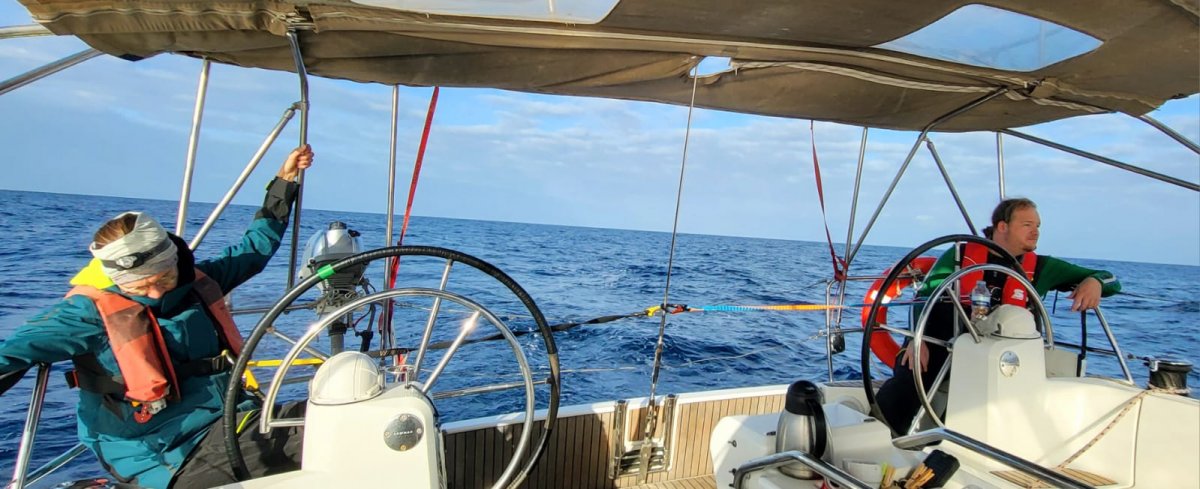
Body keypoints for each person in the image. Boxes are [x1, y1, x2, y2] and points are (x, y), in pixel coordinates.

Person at [0, 145, 314, 488]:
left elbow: (253, 251)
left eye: (162, 279)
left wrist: (283, 183)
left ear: (175, 262)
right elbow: (12, 353)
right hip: (166, 454)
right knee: (328, 438)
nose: (154, 292)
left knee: (343, 417)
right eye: (139, 286)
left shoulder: (197, 282)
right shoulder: (86, 313)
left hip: (233, 421)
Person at [874, 197, 1121, 434]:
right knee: (913, 371)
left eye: (1037, 226)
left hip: (1003, 357)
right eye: (1027, 225)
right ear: (1002, 226)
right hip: (941, 341)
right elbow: (924, 297)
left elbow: (1112, 279)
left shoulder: (1045, 268)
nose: (1035, 232)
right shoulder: (959, 256)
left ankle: (955, 445)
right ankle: (884, 429)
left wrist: (1095, 282)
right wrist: (919, 340)